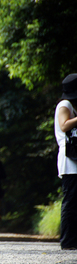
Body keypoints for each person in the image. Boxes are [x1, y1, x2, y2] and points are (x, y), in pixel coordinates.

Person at [54, 73, 77, 250]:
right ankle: (68, 241)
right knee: (70, 201)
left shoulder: (70, 105)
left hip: (73, 161)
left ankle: (72, 239)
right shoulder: (64, 104)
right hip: (70, 162)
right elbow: (64, 125)